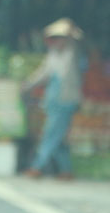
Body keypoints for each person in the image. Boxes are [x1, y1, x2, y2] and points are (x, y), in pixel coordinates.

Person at [22, 18, 85, 180]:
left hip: (65, 101)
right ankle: (66, 171)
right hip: (53, 101)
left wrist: (69, 32)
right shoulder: (53, 55)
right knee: (57, 136)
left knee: (51, 134)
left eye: (59, 38)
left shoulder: (72, 53)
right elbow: (43, 73)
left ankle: (37, 167)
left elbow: (75, 42)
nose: (55, 42)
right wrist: (28, 85)